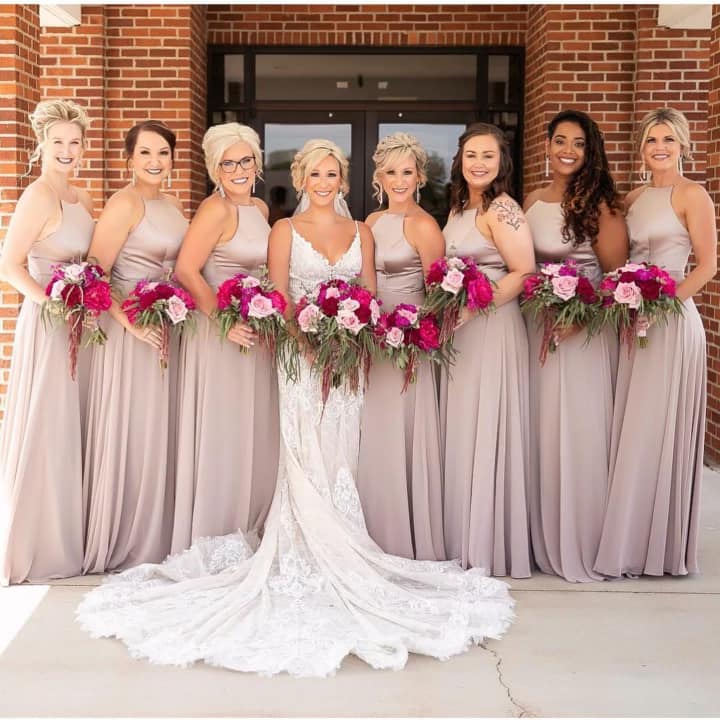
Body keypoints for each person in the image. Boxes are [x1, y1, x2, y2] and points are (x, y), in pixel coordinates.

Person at [76, 138, 514, 678]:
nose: (324, 183)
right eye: (315, 174)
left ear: (343, 180)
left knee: (343, 450)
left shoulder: (363, 233)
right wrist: (305, 341)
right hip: (299, 359)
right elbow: (279, 295)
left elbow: (369, 293)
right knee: (304, 449)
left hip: (350, 358)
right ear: (302, 179)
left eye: (333, 174)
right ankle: (301, 544)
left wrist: (353, 337)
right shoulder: (281, 229)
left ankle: (347, 542)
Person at [594, 108, 716, 577]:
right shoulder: (634, 199)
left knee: (661, 427)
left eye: (667, 139)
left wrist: (661, 306)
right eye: (651, 140)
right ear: (641, 148)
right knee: (633, 428)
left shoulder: (692, 195)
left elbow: (707, 265)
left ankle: (660, 548)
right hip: (631, 321)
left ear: (683, 144)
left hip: (671, 322)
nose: (659, 147)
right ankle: (628, 540)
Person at [524, 109, 628, 583]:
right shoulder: (532, 200)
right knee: (540, 430)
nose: (568, 150)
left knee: (577, 432)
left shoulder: (601, 205)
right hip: (535, 329)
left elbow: (617, 280)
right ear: (546, 145)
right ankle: (537, 534)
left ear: (590, 151)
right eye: (560, 140)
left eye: (579, 143)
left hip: (580, 334)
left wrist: (579, 319)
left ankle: (580, 537)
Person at [82, 121, 188, 573]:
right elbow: (95, 274)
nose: (154, 161)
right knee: (134, 428)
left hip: (167, 328)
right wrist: (130, 325)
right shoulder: (124, 203)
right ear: (129, 159)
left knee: (160, 428)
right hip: (131, 333)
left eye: (162, 152)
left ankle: (157, 531)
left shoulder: (173, 205)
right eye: (145, 152)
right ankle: (127, 534)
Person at [171, 122, 279, 552]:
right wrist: (223, 321)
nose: (238, 170)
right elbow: (186, 270)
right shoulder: (214, 210)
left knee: (251, 428)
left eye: (244, 160)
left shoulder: (259, 209)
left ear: (257, 162)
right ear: (215, 170)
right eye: (227, 164)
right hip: (220, 333)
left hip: (254, 332)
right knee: (225, 427)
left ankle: (249, 521)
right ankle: (217, 531)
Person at [0, 99, 94, 585]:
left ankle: (71, 533)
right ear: (42, 144)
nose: (66, 150)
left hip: (80, 323)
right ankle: (39, 542)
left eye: (74, 142)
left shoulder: (80, 197)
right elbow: (9, 264)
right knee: (48, 422)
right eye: (58, 141)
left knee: (71, 424)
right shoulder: (37, 196)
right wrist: (52, 302)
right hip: (49, 322)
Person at [440, 123, 535, 579]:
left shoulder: (504, 208)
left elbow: (524, 271)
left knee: (488, 423)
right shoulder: (460, 207)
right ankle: (461, 534)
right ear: (460, 159)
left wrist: (473, 308)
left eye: (488, 156)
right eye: (471, 155)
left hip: (492, 327)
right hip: (464, 330)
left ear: (502, 162)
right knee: (464, 425)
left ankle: (487, 540)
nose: (478, 163)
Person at [356, 132, 446, 561]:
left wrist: (413, 333)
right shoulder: (372, 222)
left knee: (403, 428)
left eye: (406, 172)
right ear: (379, 176)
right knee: (374, 430)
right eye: (390, 172)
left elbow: (438, 294)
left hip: (409, 343)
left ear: (419, 176)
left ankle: (406, 535)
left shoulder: (426, 226)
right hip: (374, 339)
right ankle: (373, 529)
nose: (398, 180)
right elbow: (364, 281)